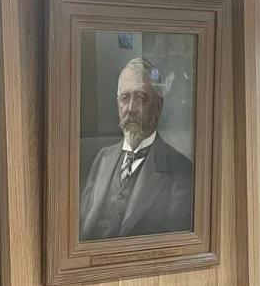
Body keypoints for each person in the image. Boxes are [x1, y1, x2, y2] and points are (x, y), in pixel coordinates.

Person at [79, 58, 194, 241]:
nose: (131, 109)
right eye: (125, 98)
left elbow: (174, 248)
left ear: (158, 107)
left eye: (140, 98)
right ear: (118, 105)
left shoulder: (181, 170)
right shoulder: (102, 158)